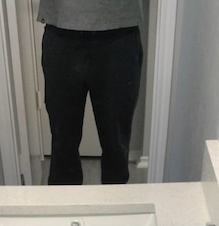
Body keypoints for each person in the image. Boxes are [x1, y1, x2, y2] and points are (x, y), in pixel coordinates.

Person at [37, 0, 143, 185]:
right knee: (63, 144)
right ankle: (65, 211)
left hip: (120, 34)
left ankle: (113, 210)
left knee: (116, 145)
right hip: (61, 31)